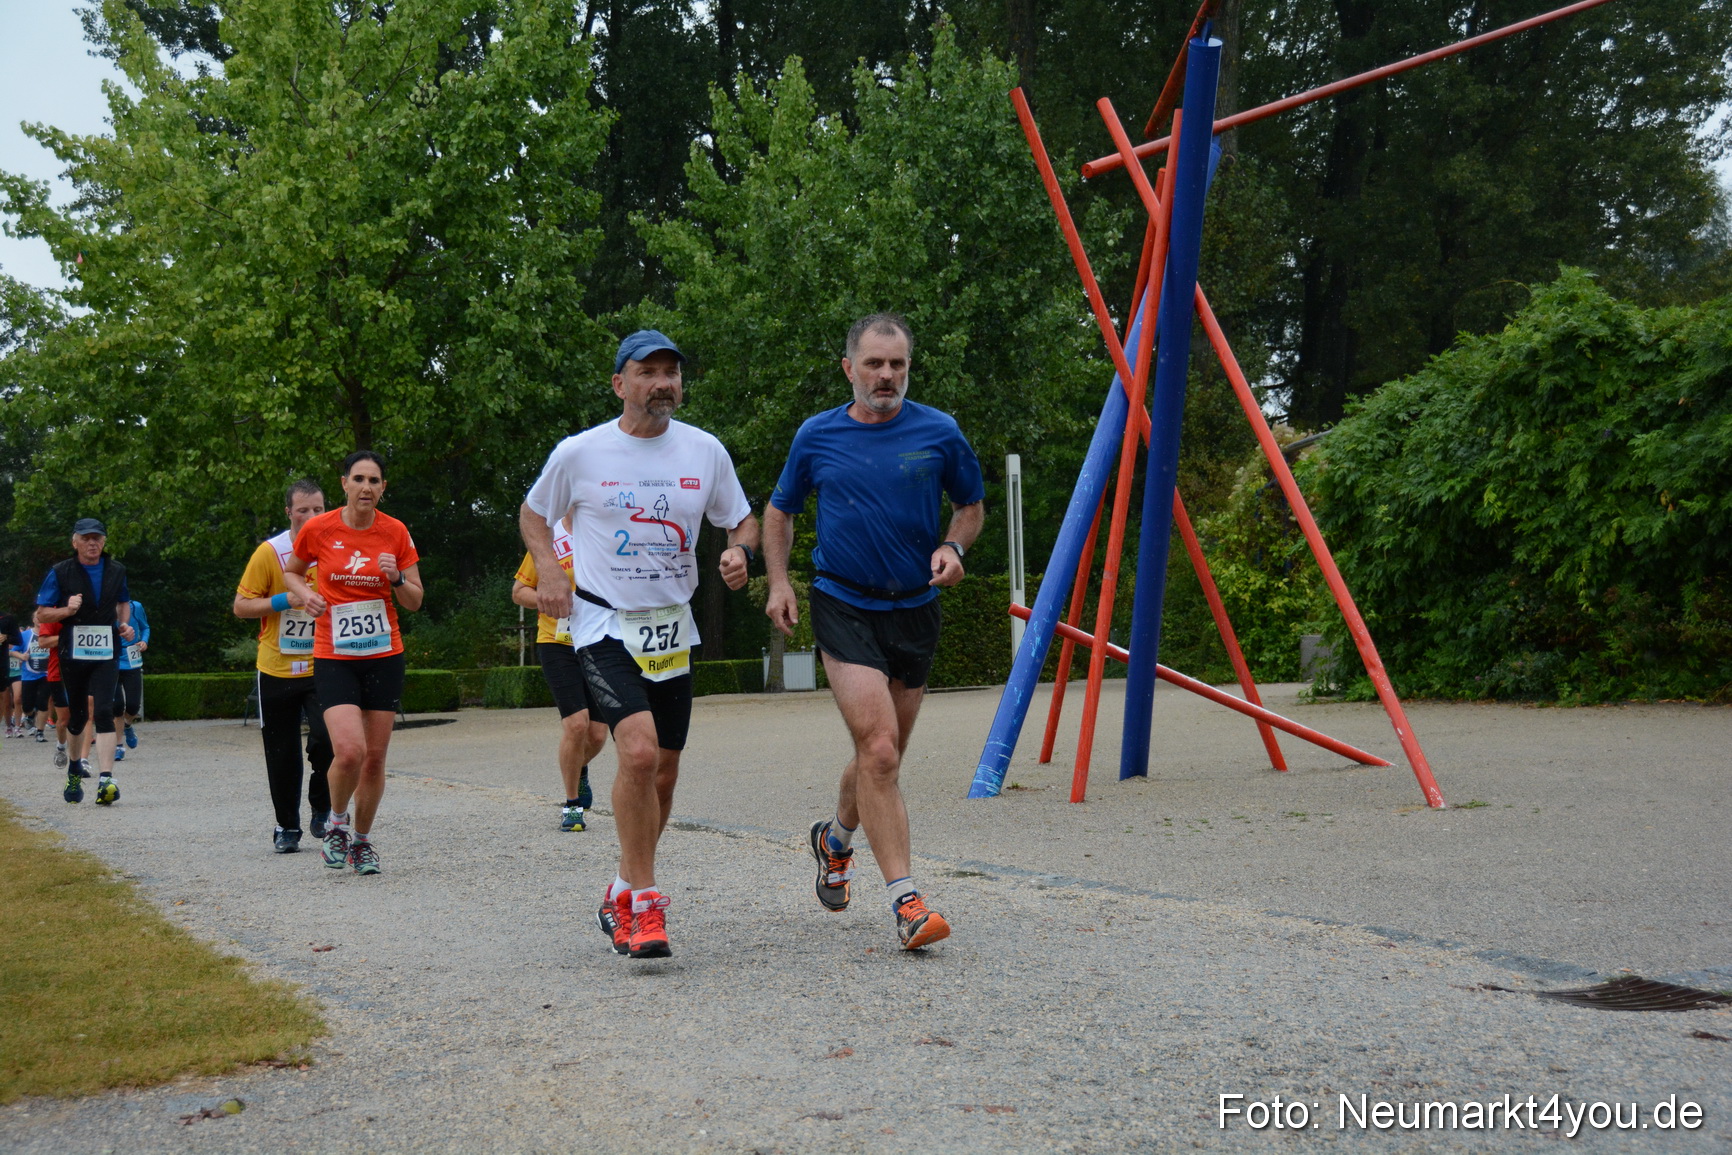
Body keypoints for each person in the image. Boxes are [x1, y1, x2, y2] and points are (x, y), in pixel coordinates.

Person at [521, 329, 757, 959]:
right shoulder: (581, 453)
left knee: (665, 771)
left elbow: (740, 516)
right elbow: (533, 514)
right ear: (619, 384)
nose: (662, 382)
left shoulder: (705, 451)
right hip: (601, 624)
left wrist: (739, 549)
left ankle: (623, 887)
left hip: (671, 628)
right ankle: (648, 909)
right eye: (647, 371)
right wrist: (547, 568)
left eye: (671, 372)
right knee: (641, 752)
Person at [764, 313, 984, 950]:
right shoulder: (817, 435)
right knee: (881, 751)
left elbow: (970, 506)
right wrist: (780, 582)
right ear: (849, 368)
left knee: (878, 757)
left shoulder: (939, 431)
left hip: (915, 608)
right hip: (844, 603)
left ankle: (835, 839)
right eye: (874, 364)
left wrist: (954, 548)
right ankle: (908, 903)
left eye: (898, 365)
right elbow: (780, 510)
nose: (886, 376)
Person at [283, 452, 423, 875]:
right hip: (334, 653)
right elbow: (292, 572)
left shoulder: (395, 531)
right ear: (344, 483)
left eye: (374, 481)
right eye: (359, 479)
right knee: (348, 752)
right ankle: (337, 825)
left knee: (375, 758)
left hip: (384, 654)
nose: (366, 487)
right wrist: (305, 594)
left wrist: (396, 577)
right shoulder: (319, 528)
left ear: (383, 488)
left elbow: (415, 599)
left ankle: (362, 841)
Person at [234, 479, 335, 854]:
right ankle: (286, 826)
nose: (311, 516)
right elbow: (241, 606)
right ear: (288, 512)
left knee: (330, 738)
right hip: (276, 666)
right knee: (281, 751)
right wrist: (283, 600)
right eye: (303, 510)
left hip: (323, 662)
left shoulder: (335, 549)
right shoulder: (270, 553)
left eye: (319, 509)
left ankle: (321, 803)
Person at [511, 512, 610, 831]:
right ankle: (572, 805)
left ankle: (578, 770)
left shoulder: (607, 535)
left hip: (599, 642)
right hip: (558, 641)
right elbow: (518, 592)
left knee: (597, 733)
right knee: (576, 724)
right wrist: (549, 600)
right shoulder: (549, 539)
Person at [34, 518, 136, 806]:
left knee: (104, 709)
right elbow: (42, 614)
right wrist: (67, 610)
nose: (92, 543)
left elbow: (123, 602)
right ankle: (74, 770)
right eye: (86, 538)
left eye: (97, 538)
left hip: (106, 650)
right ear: (75, 542)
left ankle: (106, 779)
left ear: (104, 542)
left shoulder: (117, 570)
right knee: (77, 716)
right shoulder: (60, 572)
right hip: (73, 653)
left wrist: (124, 624)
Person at [111, 599, 148, 761]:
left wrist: (144, 641)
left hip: (132, 660)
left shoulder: (135, 606)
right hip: (111, 660)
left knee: (133, 705)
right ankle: (119, 746)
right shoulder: (104, 606)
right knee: (116, 706)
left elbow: (145, 627)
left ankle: (127, 725)